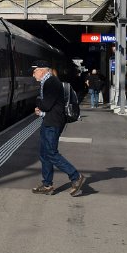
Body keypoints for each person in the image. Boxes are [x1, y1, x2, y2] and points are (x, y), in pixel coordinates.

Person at [30, 60, 87, 196]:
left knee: (51, 153)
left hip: (53, 123)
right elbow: (50, 106)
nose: (33, 74)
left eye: (35, 71)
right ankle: (47, 185)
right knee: (44, 154)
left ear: (42, 70)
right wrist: (41, 110)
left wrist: (38, 101)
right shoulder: (48, 82)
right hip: (49, 121)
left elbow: (46, 105)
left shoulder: (51, 83)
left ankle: (76, 176)